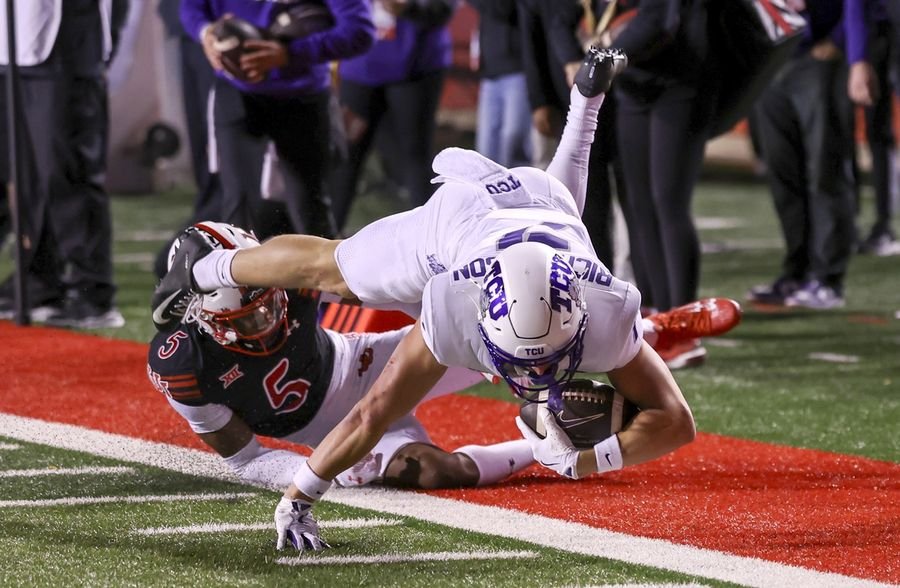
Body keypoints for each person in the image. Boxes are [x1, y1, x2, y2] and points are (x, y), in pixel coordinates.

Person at [153, 49, 742, 551]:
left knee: (556, 201)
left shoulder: (604, 308)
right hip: (450, 231)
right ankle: (207, 265)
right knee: (336, 270)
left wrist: (590, 461)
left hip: (531, 215)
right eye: (520, 361)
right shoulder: (452, 305)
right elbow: (369, 413)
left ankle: (587, 108)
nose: (532, 377)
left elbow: (677, 424)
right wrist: (301, 494)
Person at [147, 221, 537, 549]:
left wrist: (450, 325)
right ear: (204, 320)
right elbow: (247, 461)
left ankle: (579, 413)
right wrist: (318, 470)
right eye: (249, 317)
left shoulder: (286, 271)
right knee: (437, 471)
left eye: (270, 302)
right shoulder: (183, 363)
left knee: (504, 338)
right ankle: (540, 446)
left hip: (363, 363)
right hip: (326, 430)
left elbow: (386, 283)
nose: (267, 317)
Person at [179, 0, 375, 241]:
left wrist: (291, 53)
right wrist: (204, 31)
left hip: (303, 94)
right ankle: (241, 278)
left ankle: (324, 277)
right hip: (236, 90)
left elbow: (360, 31)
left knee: (309, 210)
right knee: (237, 209)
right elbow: (192, 6)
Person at [0, 0, 129, 328]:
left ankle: (92, 290)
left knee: (66, 169)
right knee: (26, 171)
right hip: (12, 41)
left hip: (65, 37)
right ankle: (40, 278)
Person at [747, 0, 865, 309]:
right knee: (783, 173)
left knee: (825, 170)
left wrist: (841, 41)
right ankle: (795, 272)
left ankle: (828, 278)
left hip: (818, 58)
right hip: (772, 58)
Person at [327, 0, 456, 232]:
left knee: (415, 155)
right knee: (345, 155)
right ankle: (323, 239)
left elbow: (444, 9)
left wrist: (411, 8)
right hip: (360, 67)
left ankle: (433, 239)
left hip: (417, 67)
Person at [468, 0, 532, 168]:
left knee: (513, 141)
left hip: (518, 69)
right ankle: (488, 193)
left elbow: (503, 8)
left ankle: (519, 192)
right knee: (486, 149)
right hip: (490, 72)